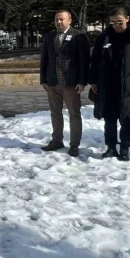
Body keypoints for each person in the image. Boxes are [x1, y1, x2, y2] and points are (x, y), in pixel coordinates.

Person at [89, 8, 130, 161]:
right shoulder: (104, 36)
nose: (116, 25)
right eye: (113, 22)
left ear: (127, 19)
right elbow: (95, 59)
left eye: (119, 22)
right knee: (109, 117)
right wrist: (93, 81)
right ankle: (111, 147)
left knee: (127, 116)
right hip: (107, 84)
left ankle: (124, 147)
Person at [39, 10, 90, 157]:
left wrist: (82, 81)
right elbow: (45, 59)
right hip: (52, 83)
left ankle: (74, 145)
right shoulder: (49, 37)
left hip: (71, 83)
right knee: (55, 113)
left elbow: (84, 60)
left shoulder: (79, 36)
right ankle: (57, 141)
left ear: (70, 20)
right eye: (56, 20)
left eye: (61, 19)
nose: (59, 22)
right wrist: (43, 79)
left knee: (74, 114)